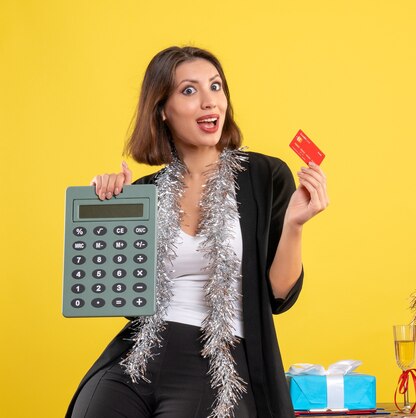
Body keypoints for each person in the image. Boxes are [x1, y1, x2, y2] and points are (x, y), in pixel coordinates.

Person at [66, 46, 329, 418]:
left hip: (215, 360)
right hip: (137, 355)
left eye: (216, 87)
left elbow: (279, 296)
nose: (210, 102)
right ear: (162, 109)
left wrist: (294, 225)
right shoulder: (145, 191)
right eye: (189, 91)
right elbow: (116, 296)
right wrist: (108, 208)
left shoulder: (264, 176)